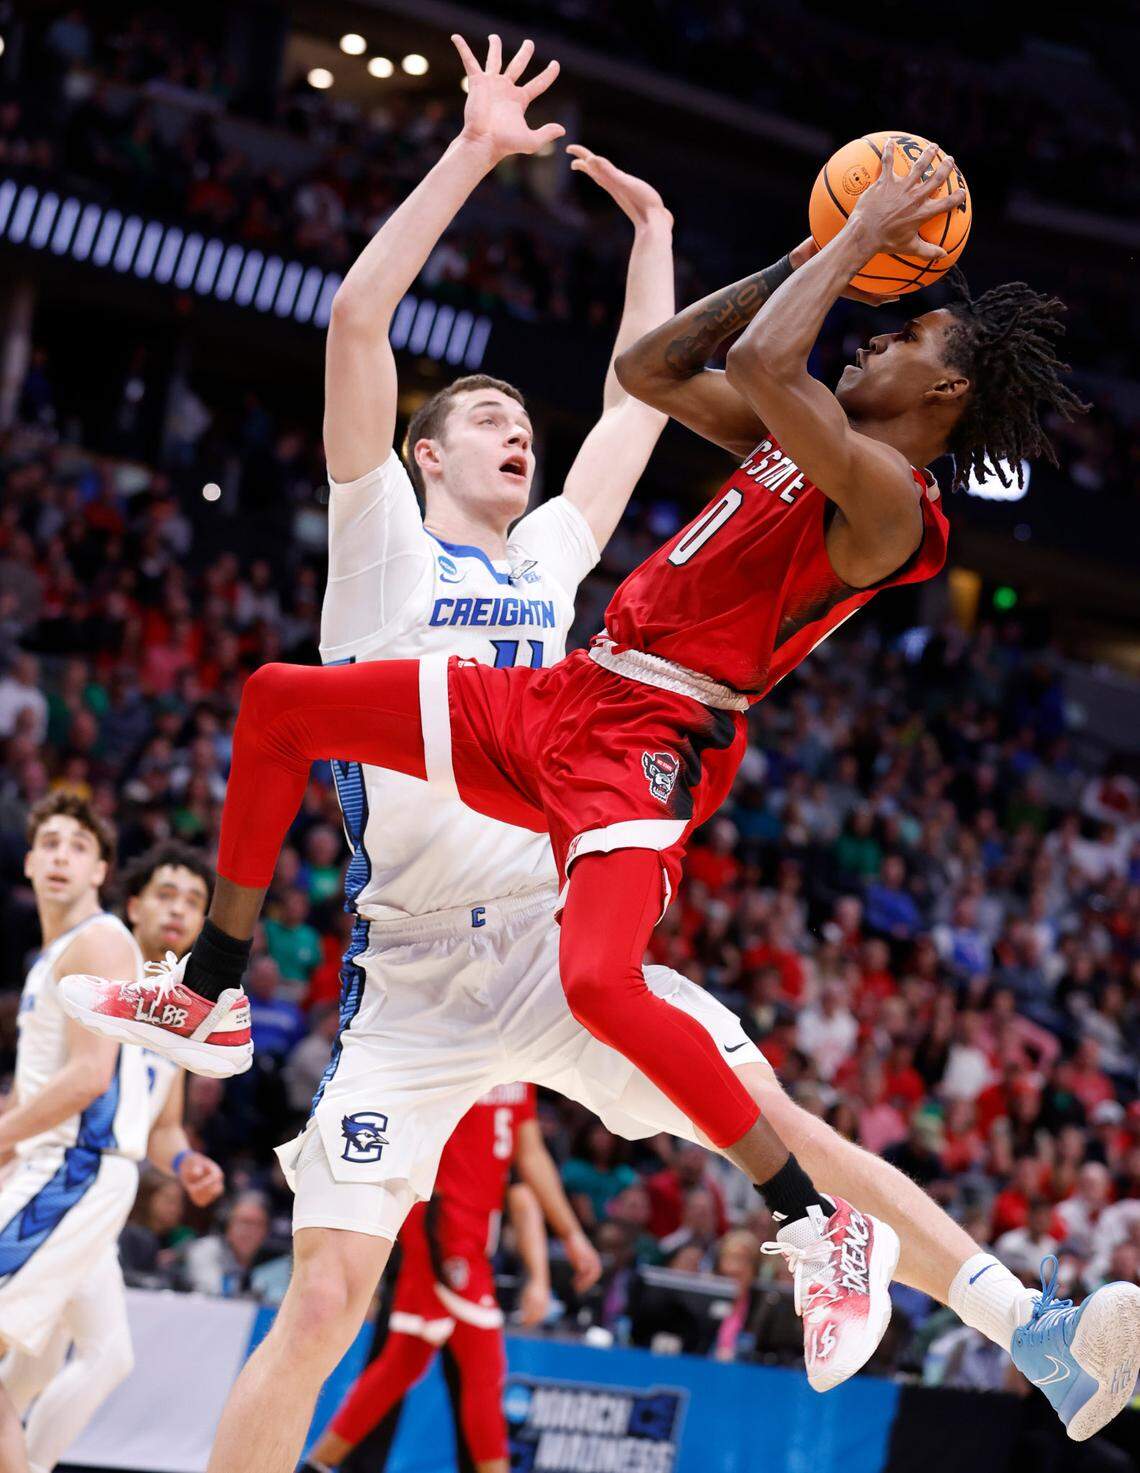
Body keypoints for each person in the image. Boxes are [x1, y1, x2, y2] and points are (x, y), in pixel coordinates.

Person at [58, 46, 1135, 1451]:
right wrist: (793, 237)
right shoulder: (381, 542)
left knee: (771, 1111)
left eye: (523, 417)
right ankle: (212, 986)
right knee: (321, 1302)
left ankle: (1025, 1322)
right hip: (416, 957)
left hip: (569, 848)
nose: (515, 426)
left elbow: (644, 399)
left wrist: (726, 240)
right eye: (485, 415)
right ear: (426, 454)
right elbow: (461, 340)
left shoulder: (560, 553)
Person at [0, 832, 224, 1473]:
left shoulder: (180, 1008)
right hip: (65, 1169)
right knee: (41, 1354)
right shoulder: (101, 966)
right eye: (166, 894)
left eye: (194, 901)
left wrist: (184, 1163)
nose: (178, 909)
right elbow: (57, 1080)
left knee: (101, 1357)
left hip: (97, 1187)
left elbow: (164, 1126)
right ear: (133, 905)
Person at [304, 1084, 599, 1473]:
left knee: (402, 1363)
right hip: (444, 1225)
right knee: (484, 1370)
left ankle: (317, 1464)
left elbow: (530, 1156)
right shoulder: (462, 1055)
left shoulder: (521, 1073)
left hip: (474, 1235)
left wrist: (572, 1235)